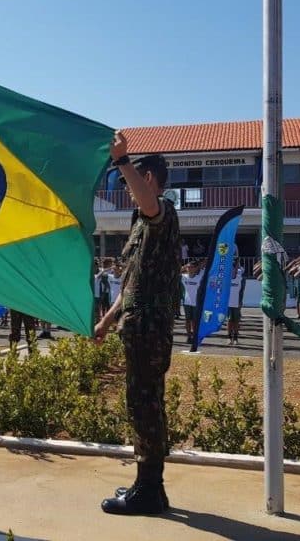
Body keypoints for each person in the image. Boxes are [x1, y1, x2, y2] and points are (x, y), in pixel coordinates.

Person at [94, 139, 179, 515]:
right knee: (143, 402)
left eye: (130, 181)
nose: (126, 190)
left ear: (148, 178)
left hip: (149, 330)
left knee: (144, 404)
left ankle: (148, 489)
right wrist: (107, 319)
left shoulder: (162, 213)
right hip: (138, 327)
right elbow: (132, 284)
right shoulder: (140, 224)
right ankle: (151, 486)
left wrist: (122, 160)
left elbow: (149, 203)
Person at [179, 261, 204, 350]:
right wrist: (185, 266)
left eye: (191, 267)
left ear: (195, 268)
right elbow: (177, 271)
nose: (189, 269)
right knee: (187, 320)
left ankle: (194, 336)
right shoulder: (184, 277)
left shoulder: (199, 277)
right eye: (188, 267)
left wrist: (199, 266)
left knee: (194, 321)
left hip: (196, 302)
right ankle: (188, 336)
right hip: (187, 302)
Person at [226, 264, 245, 346]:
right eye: (233, 268)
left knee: (236, 321)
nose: (234, 270)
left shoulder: (240, 278)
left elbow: (241, 291)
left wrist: (240, 302)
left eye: (236, 269)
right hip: (228, 303)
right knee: (229, 321)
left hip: (236, 303)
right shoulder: (226, 279)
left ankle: (236, 338)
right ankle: (229, 337)